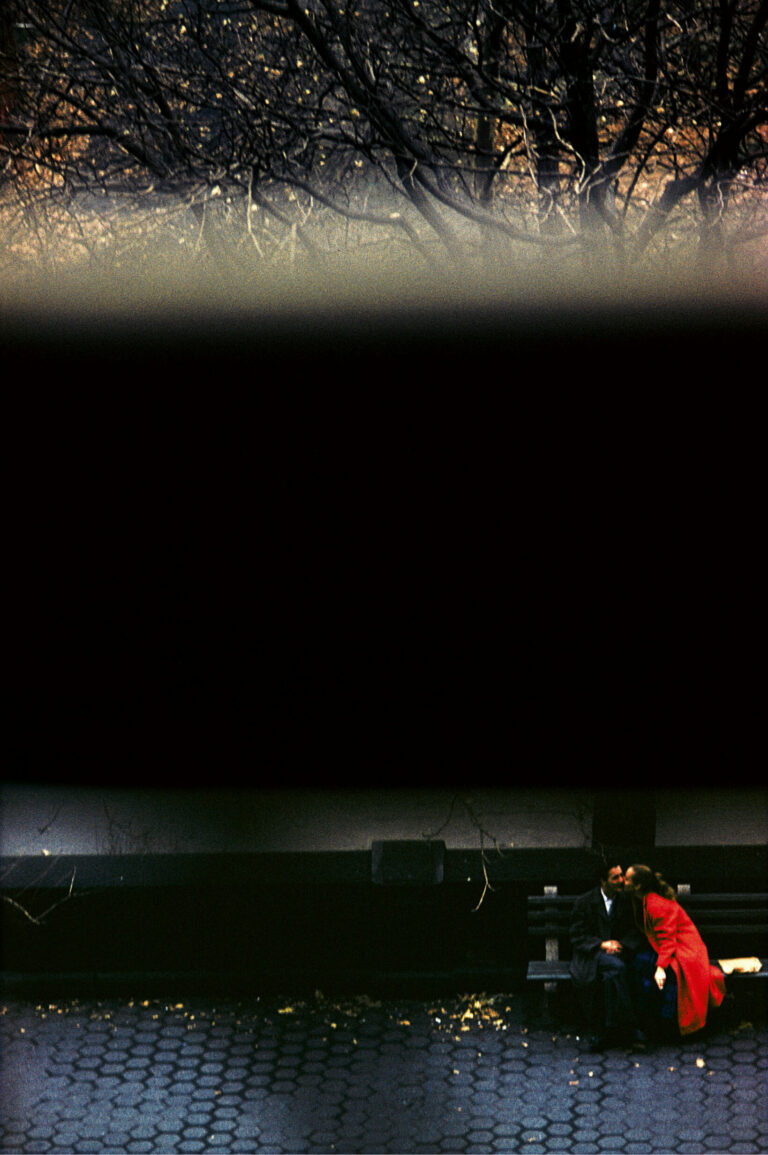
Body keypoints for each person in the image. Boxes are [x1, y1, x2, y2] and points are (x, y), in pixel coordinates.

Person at [625, 864, 727, 1037]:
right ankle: (649, 1021)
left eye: (627, 879)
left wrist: (660, 968)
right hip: (673, 946)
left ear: (637, 886)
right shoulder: (643, 900)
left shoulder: (655, 904)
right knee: (639, 963)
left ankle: (664, 1025)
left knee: (666, 973)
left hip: (686, 951)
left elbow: (667, 939)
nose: (623, 881)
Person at [569, 858, 646, 1051]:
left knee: (612, 973)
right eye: (615, 877)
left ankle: (603, 1032)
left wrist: (621, 944)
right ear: (603, 882)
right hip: (592, 955)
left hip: (618, 954)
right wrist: (601, 944)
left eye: (621, 875)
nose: (621, 880)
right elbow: (577, 935)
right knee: (616, 969)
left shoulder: (627, 900)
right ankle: (631, 1028)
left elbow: (636, 930)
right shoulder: (585, 902)